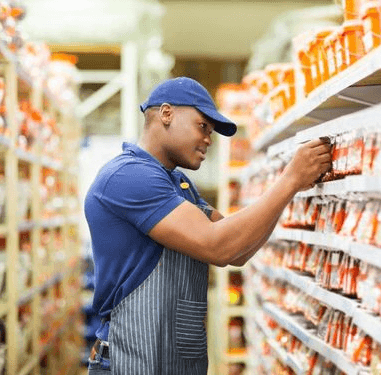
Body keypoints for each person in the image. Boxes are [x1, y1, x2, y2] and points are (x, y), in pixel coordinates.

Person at [84, 77, 331, 375]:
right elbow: (218, 245)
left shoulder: (179, 185)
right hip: (132, 361)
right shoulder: (129, 176)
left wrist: (290, 188)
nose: (208, 140)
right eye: (202, 126)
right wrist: (289, 180)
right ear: (166, 113)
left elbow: (239, 250)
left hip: (172, 360)